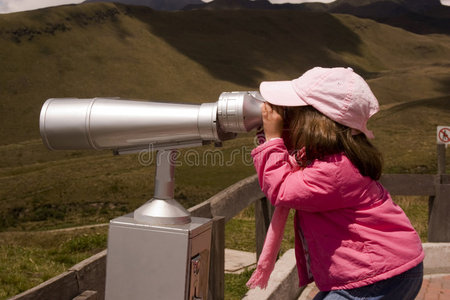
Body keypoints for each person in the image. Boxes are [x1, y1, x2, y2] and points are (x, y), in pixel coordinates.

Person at [246, 67, 424, 299]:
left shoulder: (335, 170)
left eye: (294, 112)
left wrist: (272, 140)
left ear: (316, 122)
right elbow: (289, 168)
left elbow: (281, 190)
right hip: (387, 269)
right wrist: (272, 137)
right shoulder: (336, 158)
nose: (287, 116)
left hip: (376, 276)